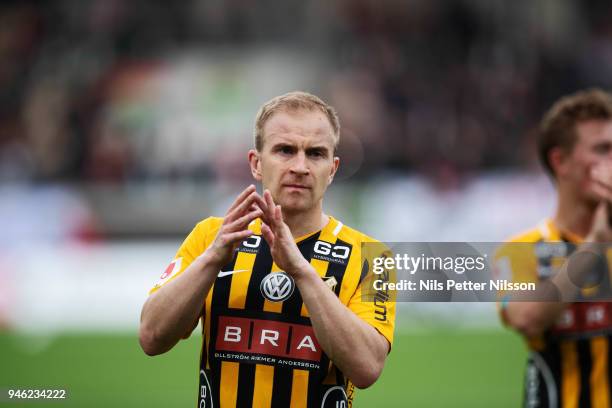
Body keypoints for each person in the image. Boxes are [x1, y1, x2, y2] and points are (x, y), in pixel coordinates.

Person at [139, 91, 395, 407]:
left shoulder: (374, 257)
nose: (300, 166)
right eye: (285, 150)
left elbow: (367, 368)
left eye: (315, 154)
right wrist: (213, 259)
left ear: (332, 169)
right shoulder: (211, 236)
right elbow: (151, 337)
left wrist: (302, 271)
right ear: (256, 164)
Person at [497, 88, 612, 407]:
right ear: (560, 161)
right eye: (603, 149)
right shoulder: (517, 251)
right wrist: (596, 246)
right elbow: (526, 317)